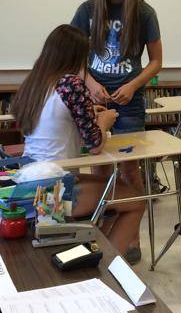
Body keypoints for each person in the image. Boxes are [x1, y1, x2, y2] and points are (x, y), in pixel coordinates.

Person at [11, 25, 146, 254]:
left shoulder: (35, 83)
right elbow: (95, 145)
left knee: (115, 193)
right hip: (53, 188)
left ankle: (97, 254)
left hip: (28, 179)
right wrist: (104, 121)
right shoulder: (71, 84)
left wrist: (89, 113)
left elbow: (56, 120)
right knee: (135, 202)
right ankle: (107, 265)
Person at [71, 0, 162, 264]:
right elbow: (73, 57)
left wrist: (134, 85)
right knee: (100, 168)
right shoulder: (87, 10)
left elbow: (156, 61)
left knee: (129, 168)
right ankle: (102, 233)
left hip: (129, 101)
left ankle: (132, 236)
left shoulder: (144, 13)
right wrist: (90, 84)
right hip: (95, 100)